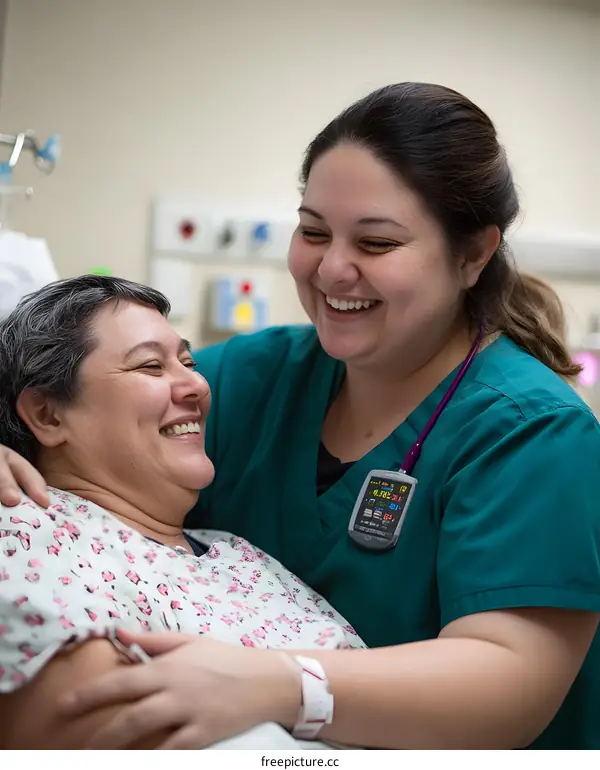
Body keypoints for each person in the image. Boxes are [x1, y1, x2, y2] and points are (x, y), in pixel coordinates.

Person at [2, 82, 600, 750]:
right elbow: (78, 411)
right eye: (313, 231)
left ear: (473, 255)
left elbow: (509, 681)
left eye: (376, 243)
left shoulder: (529, 431)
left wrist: (284, 685)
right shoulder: (256, 379)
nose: (332, 269)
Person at [0, 275, 364, 751]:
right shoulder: (27, 533)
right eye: (151, 365)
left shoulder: (243, 559)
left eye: (189, 362)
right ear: (48, 415)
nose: (196, 383)